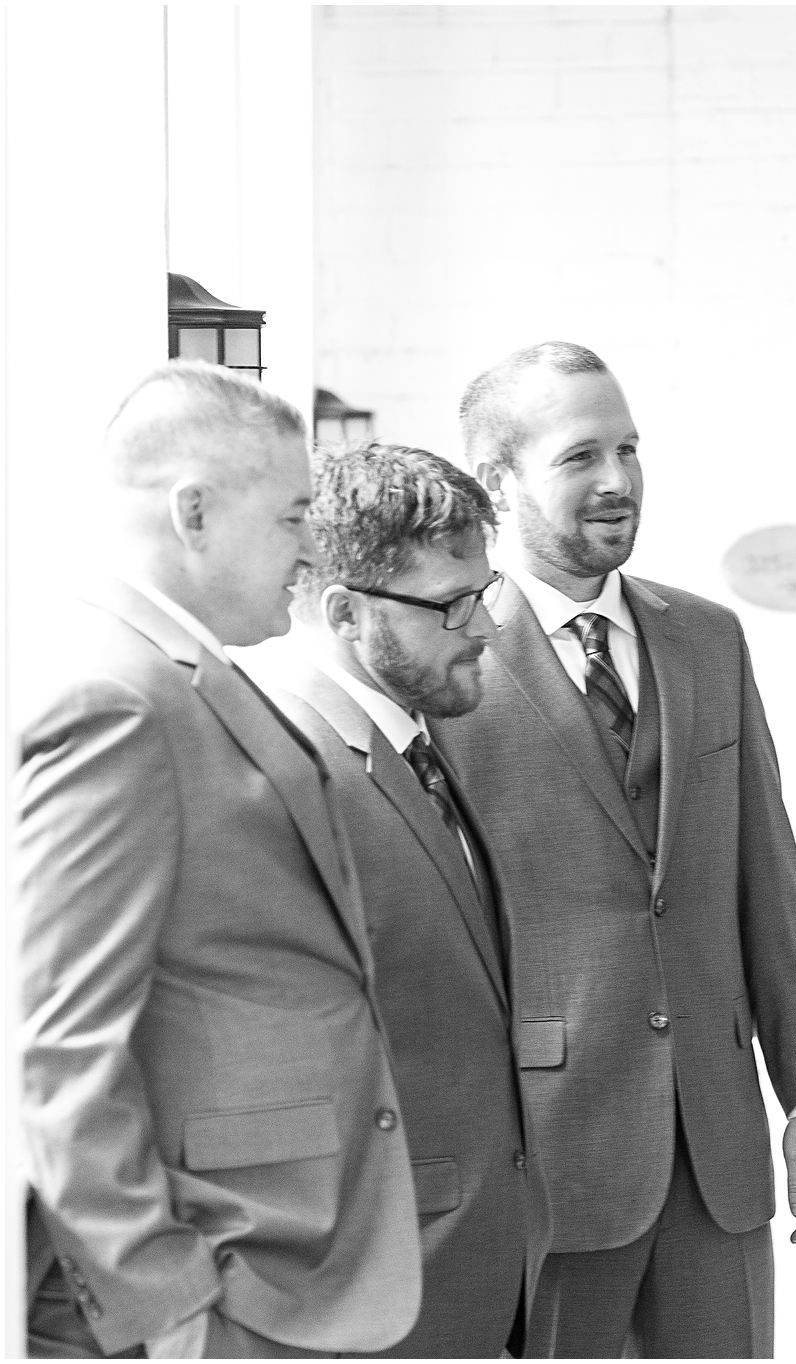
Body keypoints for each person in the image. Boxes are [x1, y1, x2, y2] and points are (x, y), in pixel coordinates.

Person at [430, 342, 796, 1357]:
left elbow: (767, 878)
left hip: (717, 1149)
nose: (618, 480)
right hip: (545, 1151)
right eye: (580, 456)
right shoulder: (449, 661)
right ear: (498, 480)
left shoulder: (708, 637)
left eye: (628, 448)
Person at [16, 364, 420, 1357]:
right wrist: (166, 1303)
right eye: (291, 515)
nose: (310, 548)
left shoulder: (178, 671)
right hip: (221, 1281)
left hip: (285, 1253)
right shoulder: (117, 698)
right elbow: (60, 1041)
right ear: (193, 510)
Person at [235, 442, 551, 1357]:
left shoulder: (422, 746)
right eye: (451, 605)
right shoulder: (279, 776)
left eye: (484, 596)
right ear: (343, 612)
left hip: (477, 1273)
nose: (484, 629)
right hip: (374, 1290)